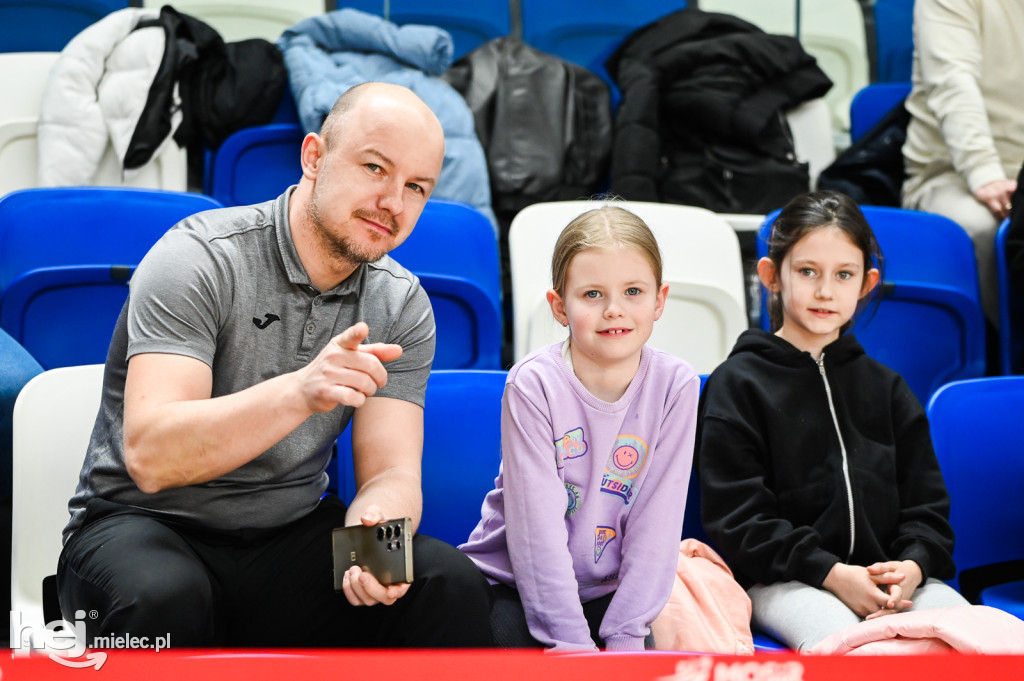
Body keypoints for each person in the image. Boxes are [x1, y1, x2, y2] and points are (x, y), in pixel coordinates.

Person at [56, 82, 492, 648]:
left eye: (416, 187)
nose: (393, 202)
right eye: (374, 168)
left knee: (443, 579)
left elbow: (391, 471)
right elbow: (150, 458)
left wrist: (374, 540)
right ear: (314, 156)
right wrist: (300, 392)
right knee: (165, 594)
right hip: (144, 523)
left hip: (287, 535)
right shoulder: (199, 258)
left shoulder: (401, 302)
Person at [697, 191, 969, 652]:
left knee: (983, 646)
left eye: (844, 274)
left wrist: (913, 567)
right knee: (864, 654)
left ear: (866, 282)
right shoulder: (737, 385)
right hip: (787, 581)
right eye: (807, 272)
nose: (825, 291)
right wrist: (832, 574)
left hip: (894, 580)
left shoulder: (888, 389)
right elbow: (739, 521)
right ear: (771, 276)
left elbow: (928, 511)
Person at [460, 206, 699, 651]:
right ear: (559, 306)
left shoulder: (677, 385)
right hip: (514, 586)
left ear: (659, 301)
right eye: (592, 294)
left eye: (633, 291)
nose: (614, 310)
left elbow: (657, 524)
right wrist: (573, 649)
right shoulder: (533, 384)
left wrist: (627, 637)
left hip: (609, 595)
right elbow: (537, 537)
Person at [901, 0, 1024, 326]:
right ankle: (1000, 359)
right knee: (980, 228)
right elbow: (952, 81)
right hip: (952, 172)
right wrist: (983, 169)